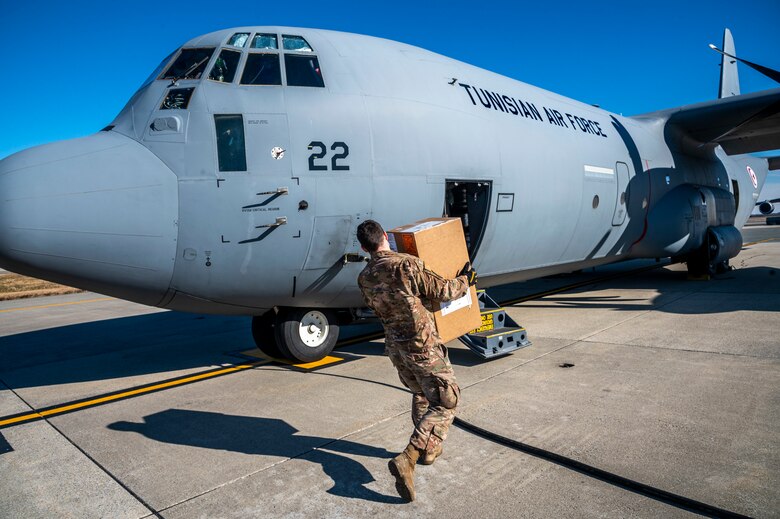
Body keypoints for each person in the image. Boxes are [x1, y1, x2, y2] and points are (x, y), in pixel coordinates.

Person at [356, 219, 477, 502]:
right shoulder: (405, 265)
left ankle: (429, 449)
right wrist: (465, 281)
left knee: (421, 393)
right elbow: (442, 291)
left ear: (364, 246)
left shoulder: (364, 277)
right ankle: (409, 456)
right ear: (385, 236)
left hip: (396, 348)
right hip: (422, 345)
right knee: (447, 400)